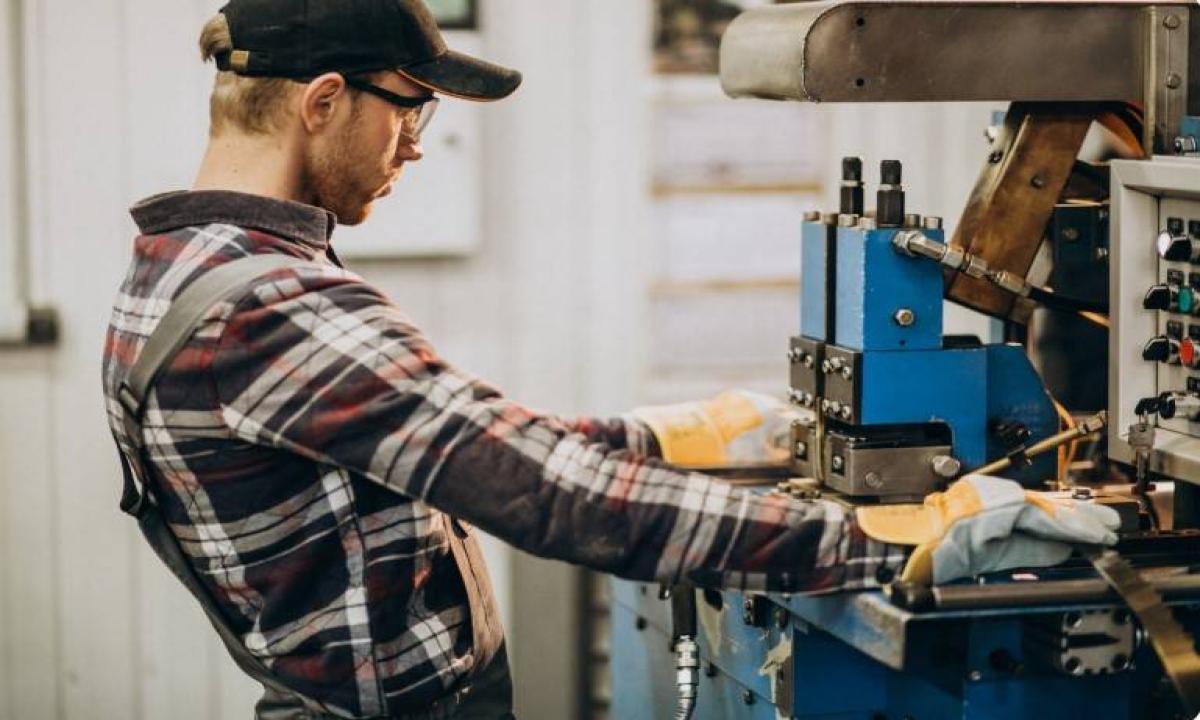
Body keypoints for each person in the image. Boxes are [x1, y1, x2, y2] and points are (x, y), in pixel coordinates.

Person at [101, 1, 1120, 718]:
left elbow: (447, 439)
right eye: (409, 105)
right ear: (323, 100)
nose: (414, 143)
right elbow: (553, 496)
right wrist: (902, 541)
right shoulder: (278, 309)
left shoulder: (186, 269)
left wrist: (660, 434)